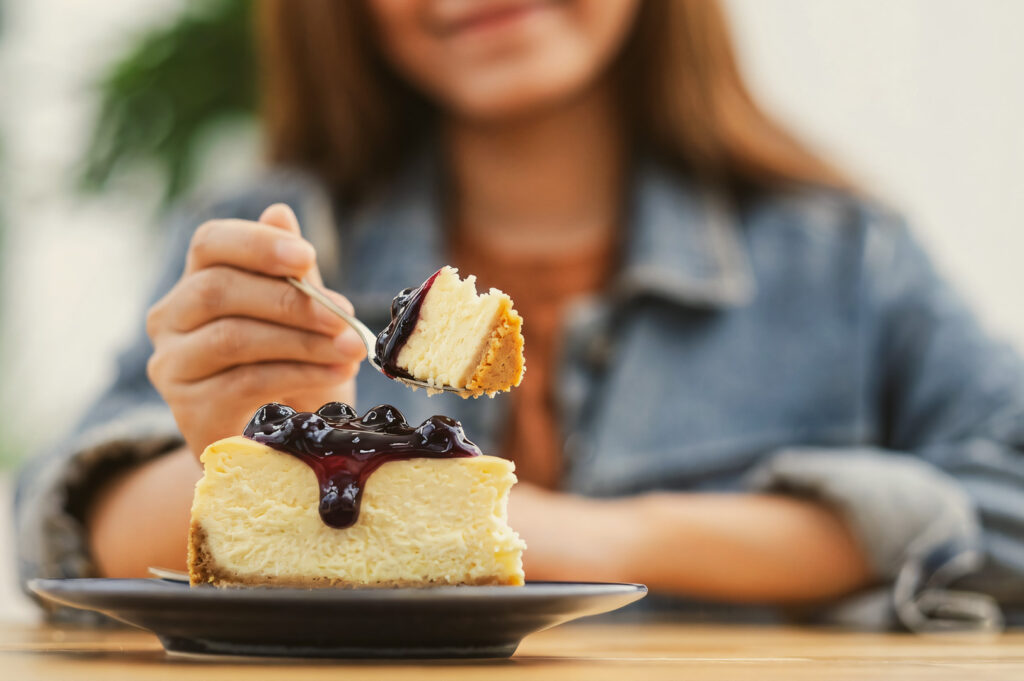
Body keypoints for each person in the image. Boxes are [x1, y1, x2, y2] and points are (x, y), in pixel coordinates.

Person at [16, 0, 1024, 629]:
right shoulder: (275, 234)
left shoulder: (843, 259)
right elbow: (66, 525)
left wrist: (592, 537)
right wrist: (234, 449)